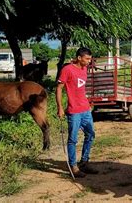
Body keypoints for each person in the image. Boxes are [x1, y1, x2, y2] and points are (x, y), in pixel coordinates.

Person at [56, 47, 98, 178]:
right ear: (79, 58)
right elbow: (58, 89)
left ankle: (84, 162)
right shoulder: (67, 69)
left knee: (90, 135)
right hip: (74, 111)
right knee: (72, 139)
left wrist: (88, 102)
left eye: (90, 58)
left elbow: (81, 88)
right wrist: (60, 108)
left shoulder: (84, 69)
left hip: (85, 110)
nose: (89, 61)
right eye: (87, 59)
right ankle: (73, 166)